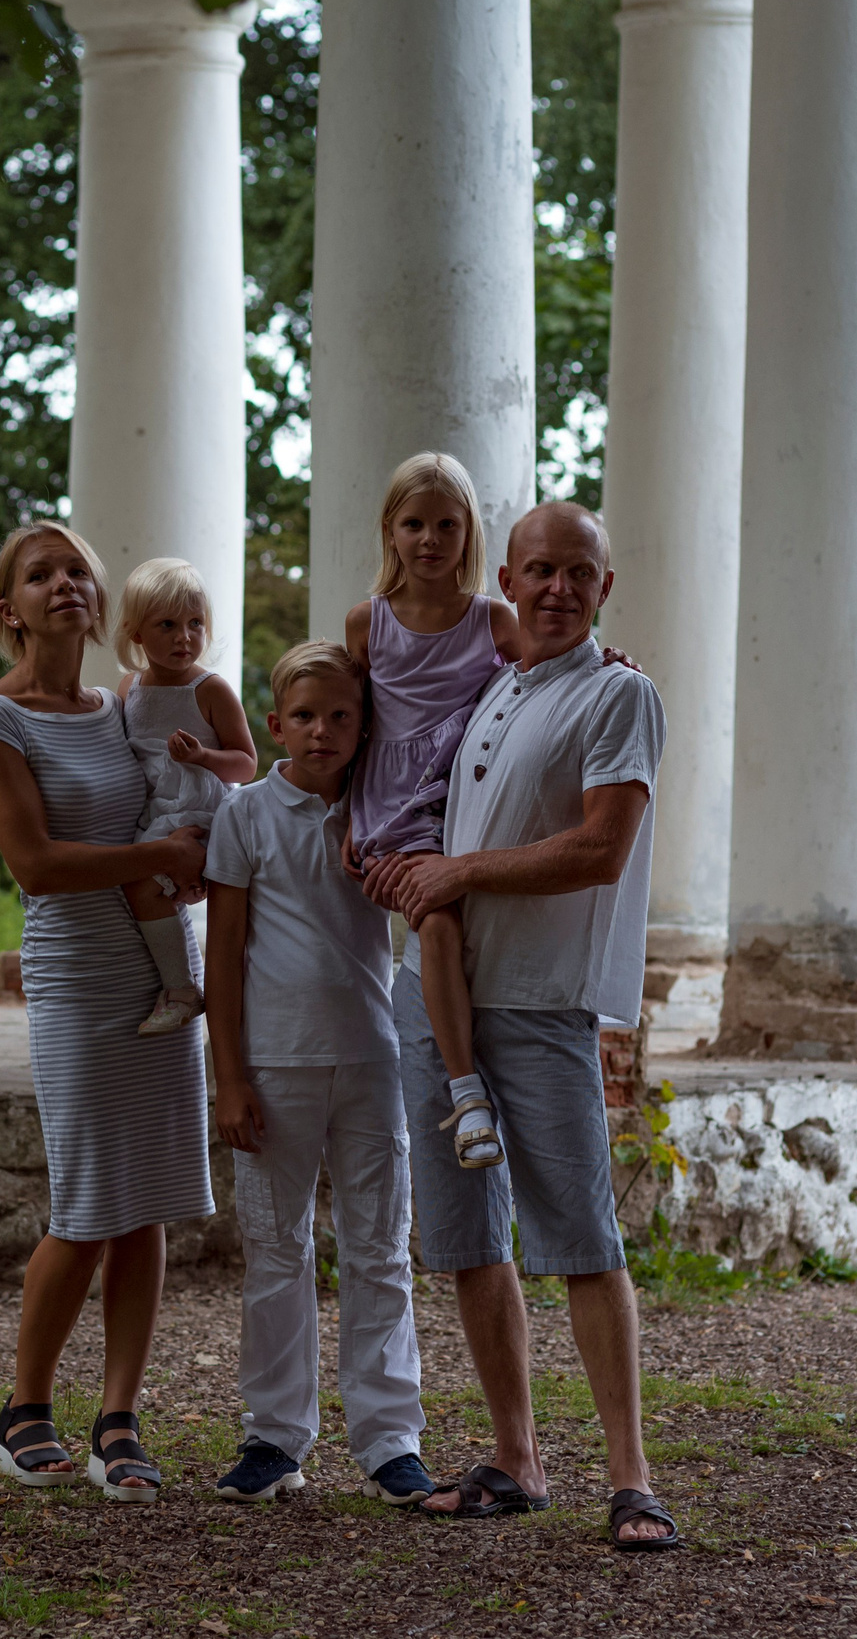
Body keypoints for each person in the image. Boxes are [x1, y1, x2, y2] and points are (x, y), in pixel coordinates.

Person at [360, 500, 685, 1553]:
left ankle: (631, 1478)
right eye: (536, 571)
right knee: (464, 1238)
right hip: (434, 995)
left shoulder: (618, 695)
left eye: (575, 573)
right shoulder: (494, 688)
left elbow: (599, 850)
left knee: (581, 1238)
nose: (554, 589)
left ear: (603, 588)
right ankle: (515, 1458)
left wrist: (457, 871)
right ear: (508, 579)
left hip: (541, 1001)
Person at [0, 522, 216, 1505]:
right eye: (40, 574)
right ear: (8, 609)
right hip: (75, 978)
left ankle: (119, 1417)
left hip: (164, 974)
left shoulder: (124, 708)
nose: (62, 583)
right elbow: (36, 866)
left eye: (77, 572)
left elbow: (188, 791)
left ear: (100, 605)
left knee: (144, 1203)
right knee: (83, 1203)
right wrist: (158, 862)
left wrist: (194, 865)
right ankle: (24, 1406)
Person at [205, 641, 435, 1509]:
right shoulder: (246, 816)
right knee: (275, 1250)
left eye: (342, 716)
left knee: (380, 1250)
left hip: (373, 1059)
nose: (323, 730)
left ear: (365, 724)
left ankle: (388, 1440)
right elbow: (222, 956)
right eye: (305, 715)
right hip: (272, 1065)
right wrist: (230, 1078)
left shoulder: (384, 812)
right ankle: (274, 1434)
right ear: (275, 724)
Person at [344, 454, 518, 1173]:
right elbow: (349, 729)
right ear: (390, 531)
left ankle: (467, 1083)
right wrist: (344, 827)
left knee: (452, 926)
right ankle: (464, 1091)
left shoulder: (494, 621)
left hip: (464, 804)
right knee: (435, 922)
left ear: (469, 532)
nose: (429, 539)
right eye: (413, 523)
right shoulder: (367, 623)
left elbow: (554, 673)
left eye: (447, 524)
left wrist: (615, 661)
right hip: (395, 809)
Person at [112, 558, 257, 1036]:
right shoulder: (130, 688)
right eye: (168, 625)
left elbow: (246, 762)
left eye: (195, 624)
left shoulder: (209, 688)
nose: (184, 637)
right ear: (135, 633)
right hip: (158, 811)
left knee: (156, 887)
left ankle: (185, 989)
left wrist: (202, 758)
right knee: (141, 887)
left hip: (201, 808)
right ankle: (181, 985)